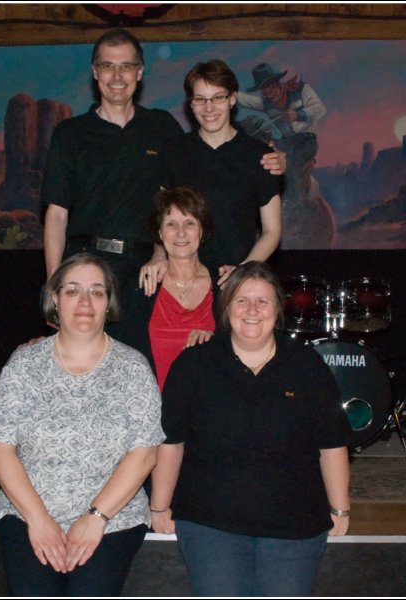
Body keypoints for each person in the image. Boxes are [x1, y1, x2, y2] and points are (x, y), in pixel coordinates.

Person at [41, 30, 283, 345]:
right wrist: (53, 287)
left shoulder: (162, 129)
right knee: (81, 360)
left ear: (139, 73)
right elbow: (56, 216)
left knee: (144, 363)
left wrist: (275, 160)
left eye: (126, 66)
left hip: (147, 273)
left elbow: (174, 200)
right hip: (87, 263)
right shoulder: (70, 133)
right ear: (95, 72)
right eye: (108, 66)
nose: (117, 75)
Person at [150, 261, 352, 596]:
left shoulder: (306, 366)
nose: (252, 311)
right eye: (242, 300)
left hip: (294, 526)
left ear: (278, 309)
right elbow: (171, 441)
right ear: (226, 308)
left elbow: (331, 443)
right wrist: (159, 506)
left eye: (263, 301)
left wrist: (340, 508)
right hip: (210, 523)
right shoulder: (194, 365)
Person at [0, 253, 165, 596]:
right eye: (73, 291)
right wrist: (38, 521)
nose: (85, 302)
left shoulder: (133, 368)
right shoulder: (24, 364)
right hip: (27, 513)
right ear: (55, 299)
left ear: (108, 302)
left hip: (112, 518)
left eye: (97, 292)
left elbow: (143, 455)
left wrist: (95, 518)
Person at [140, 59, 283, 294]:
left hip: (238, 284)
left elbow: (272, 231)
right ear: (190, 104)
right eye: (200, 99)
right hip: (182, 282)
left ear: (232, 99)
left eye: (218, 97)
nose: (209, 108)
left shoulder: (260, 156)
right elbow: (160, 218)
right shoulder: (173, 152)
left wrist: (242, 272)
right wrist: (158, 256)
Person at [129, 186, 219, 391]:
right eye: (171, 224)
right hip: (150, 410)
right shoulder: (141, 286)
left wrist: (216, 343)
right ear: (160, 233)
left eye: (189, 223)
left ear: (202, 231)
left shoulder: (224, 285)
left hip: (205, 413)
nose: (180, 233)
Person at [236, 62, 326, 140]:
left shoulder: (301, 90)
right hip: (287, 144)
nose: (268, 93)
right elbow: (242, 99)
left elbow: (320, 109)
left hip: (308, 139)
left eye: (270, 87)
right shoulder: (265, 103)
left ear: (277, 82)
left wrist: (298, 115)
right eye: (263, 89)